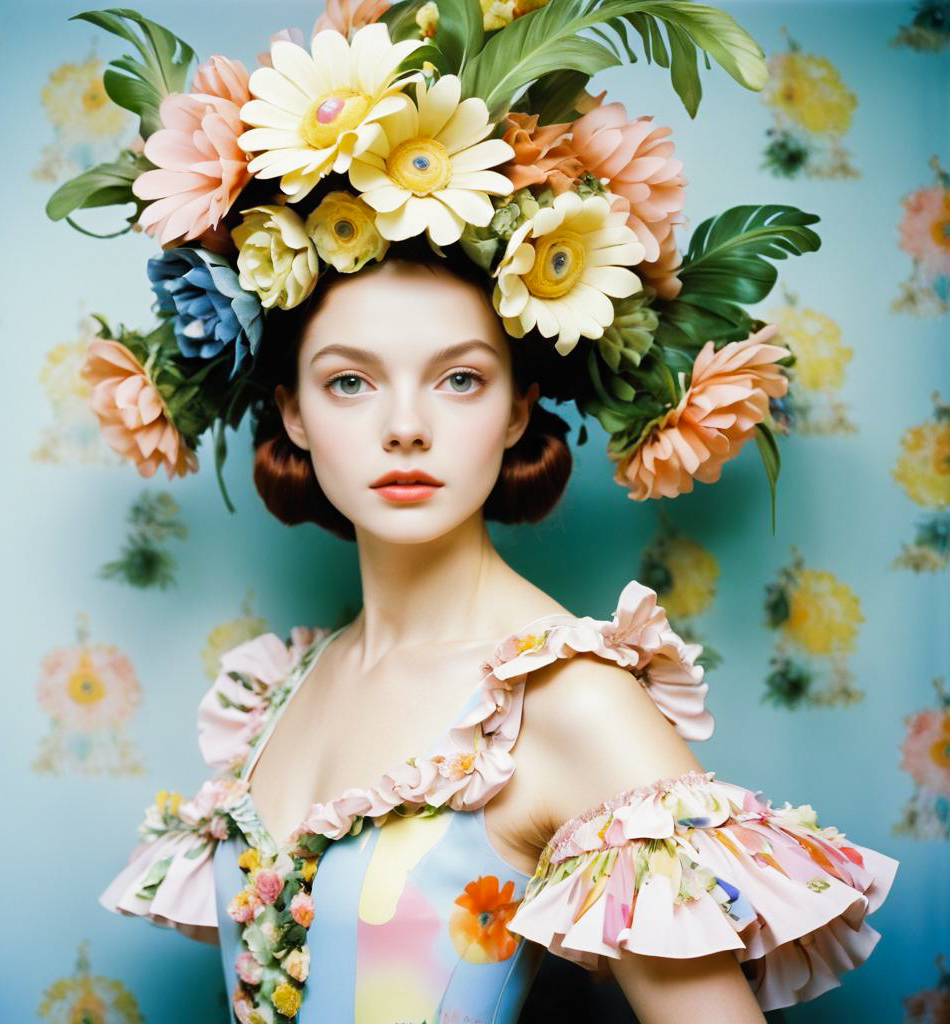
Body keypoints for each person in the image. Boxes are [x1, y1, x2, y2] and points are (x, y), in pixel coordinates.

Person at [58, 5, 901, 1021]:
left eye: (457, 380)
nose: (404, 427)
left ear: (516, 408)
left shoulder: (571, 702)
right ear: (289, 406)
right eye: (349, 381)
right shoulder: (273, 693)